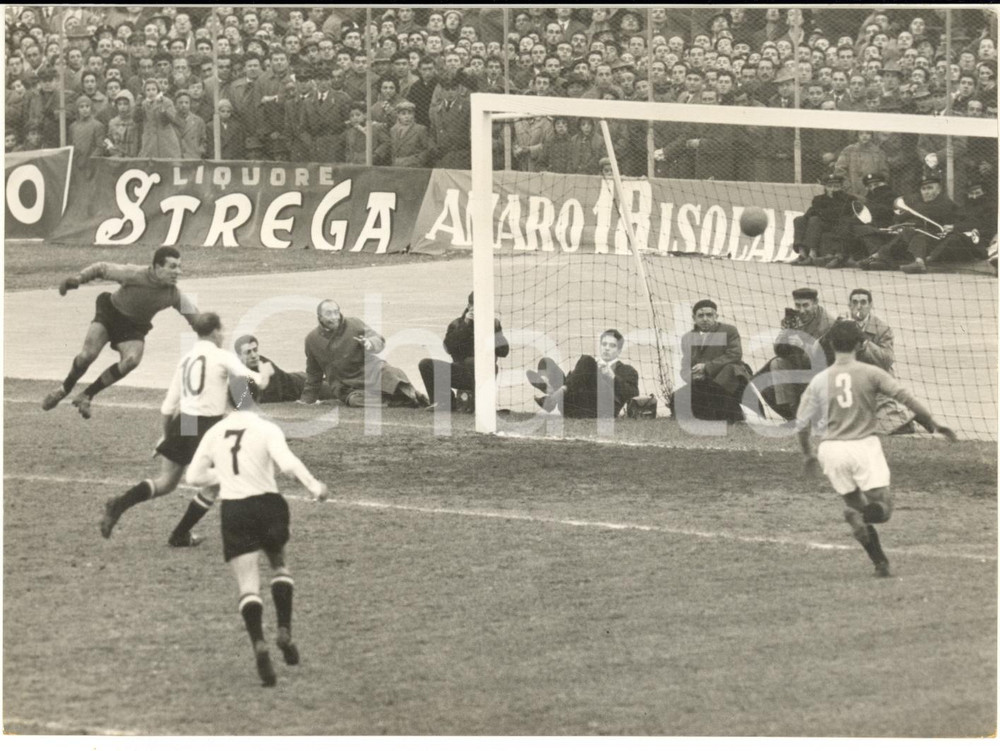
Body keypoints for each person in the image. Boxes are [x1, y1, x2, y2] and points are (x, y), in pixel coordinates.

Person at [796, 319, 956, 578]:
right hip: (863, 446)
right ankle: (864, 517)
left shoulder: (820, 380)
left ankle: (880, 562)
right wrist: (933, 424)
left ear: (832, 345)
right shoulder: (871, 373)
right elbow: (907, 398)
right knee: (882, 507)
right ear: (860, 344)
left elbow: (801, 424)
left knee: (856, 505)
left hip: (831, 450)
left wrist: (808, 455)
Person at [186, 400, 328, 687]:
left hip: (235, 510)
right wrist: (314, 486)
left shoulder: (214, 432)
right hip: (268, 505)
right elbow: (288, 464)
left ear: (226, 400)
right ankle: (285, 629)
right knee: (279, 566)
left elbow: (193, 477)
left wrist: (223, 475)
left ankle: (259, 644)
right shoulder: (266, 428)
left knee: (248, 584)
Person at [99, 313, 272, 547]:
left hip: (184, 422)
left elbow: (168, 406)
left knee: (166, 482)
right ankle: (180, 534)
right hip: (207, 427)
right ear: (214, 332)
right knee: (215, 486)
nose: (222, 336)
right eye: (221, 331)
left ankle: (119, 504)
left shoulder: (186, 359)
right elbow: (258, 381)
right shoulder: (221, 356)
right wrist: (266, 373)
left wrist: (166, 435)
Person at [42, 245, 199, 419]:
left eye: (179, 266)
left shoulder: (174, 294)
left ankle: (87, 395)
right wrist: (78, 279)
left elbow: (196, 318)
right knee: (87, 355)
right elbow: (102, 268)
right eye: (173, 266)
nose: (179, 272)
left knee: (132, 360)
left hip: (133, 327)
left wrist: (209, 335)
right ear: (156, 267)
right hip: (110, 313)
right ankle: (64, 389)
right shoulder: (135, 273)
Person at [300, 300, 427, 408]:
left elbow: (378, 340)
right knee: (355, 401)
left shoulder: (354, 324)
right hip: (346, 384)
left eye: (336, 312)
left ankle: (415, 395)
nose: (334, 317)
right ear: (319, 317)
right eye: (328, 314)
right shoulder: (311, 339)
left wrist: (370, 343)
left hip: (371, 371)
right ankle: (398, 400)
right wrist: (307, 400)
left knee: (393, 375)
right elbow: (313, 373)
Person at [418, 292, 510, 413]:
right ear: (469, 306)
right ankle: (444, 402)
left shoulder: (493, 324)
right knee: (425, 364)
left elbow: (504, 351)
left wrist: (491, 331)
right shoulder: (456, 324)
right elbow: (449, 348)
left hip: (485, 373)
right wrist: (465, 325)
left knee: (475, 362)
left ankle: (482, 403)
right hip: (461, 372)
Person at [754, 288, 835, 421]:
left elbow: (827, 358)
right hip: (799, 365)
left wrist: (803, 344)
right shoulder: (794, 317)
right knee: (777, 364)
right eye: (798, 305)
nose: (801, 310)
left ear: (815, 303)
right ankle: (792, 415)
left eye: (805, 305)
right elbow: (778, 350)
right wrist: (786, 333)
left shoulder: (828, 324)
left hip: (822, 372)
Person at [527, 329, 640, 419]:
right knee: (546, 363)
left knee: (587, 360)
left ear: (619, 351)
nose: (606, 348)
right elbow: (573, 382)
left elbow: (633, 393)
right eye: (604, 344)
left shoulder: (627, 370)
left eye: (612, 346)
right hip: (573, 407)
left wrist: (612, 377)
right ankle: (552, 392)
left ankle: (554, 397)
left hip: (601, 410)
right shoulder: (591, 364)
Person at [671, 299, 753, 423]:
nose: (705, 319)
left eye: (709, 315)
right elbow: (685, 365)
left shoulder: (729, 331)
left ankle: (730, 412)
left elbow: (734, 355)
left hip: (728, 380)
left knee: (729, 371)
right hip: (702, 382)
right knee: (676, 401)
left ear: (716, 316)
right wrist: (692, 377)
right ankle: (723, 413)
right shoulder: (687, 338)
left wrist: (707, 367)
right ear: (694, 318)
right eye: (701, 315)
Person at [846, 288, 914, 435]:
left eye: (863, 302)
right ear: (849, 305)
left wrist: (864, 341)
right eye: (855, 302)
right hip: (850, 383)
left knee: (880, 428)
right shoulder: (842, 325)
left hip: (877, 384)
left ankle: (907, 417)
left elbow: (886, 360)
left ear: (870, 305)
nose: (859, 306)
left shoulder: (883, 329)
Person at [231, 335, 335, 407]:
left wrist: (265, 373)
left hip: (302, 385)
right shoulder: (236, 369)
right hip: (297, 377)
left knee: (337, 389)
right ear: (239, 356)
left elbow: (270, 395)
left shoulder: (266, 365)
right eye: (248, 352)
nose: (253, 355)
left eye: (255, 350)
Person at [788, 174, 856, 266]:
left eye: (836, 187)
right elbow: (810, 213)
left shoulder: (848, 199)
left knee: (815, 219)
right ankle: (802, 253)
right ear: (825, 187)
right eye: (830, 186)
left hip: (837, 225)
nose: (832, 189)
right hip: (821, 224)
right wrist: (818, 212)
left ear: (841, 187)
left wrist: (820, 212)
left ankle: (813, 254)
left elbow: (840, 214)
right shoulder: (819, 199)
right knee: (799, 220)